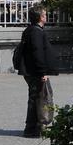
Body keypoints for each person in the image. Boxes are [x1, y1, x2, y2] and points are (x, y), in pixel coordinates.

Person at [20, 8, 57, 137]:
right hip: (35, 71)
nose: (46, 17)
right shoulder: (36, 32)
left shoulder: (31, 30)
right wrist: (42, 72)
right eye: (45, 15)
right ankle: (32, 128)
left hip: (31, 70)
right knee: (37, 97)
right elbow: (37, 52)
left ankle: (34, 126)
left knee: (37, 97)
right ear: (40, 17)